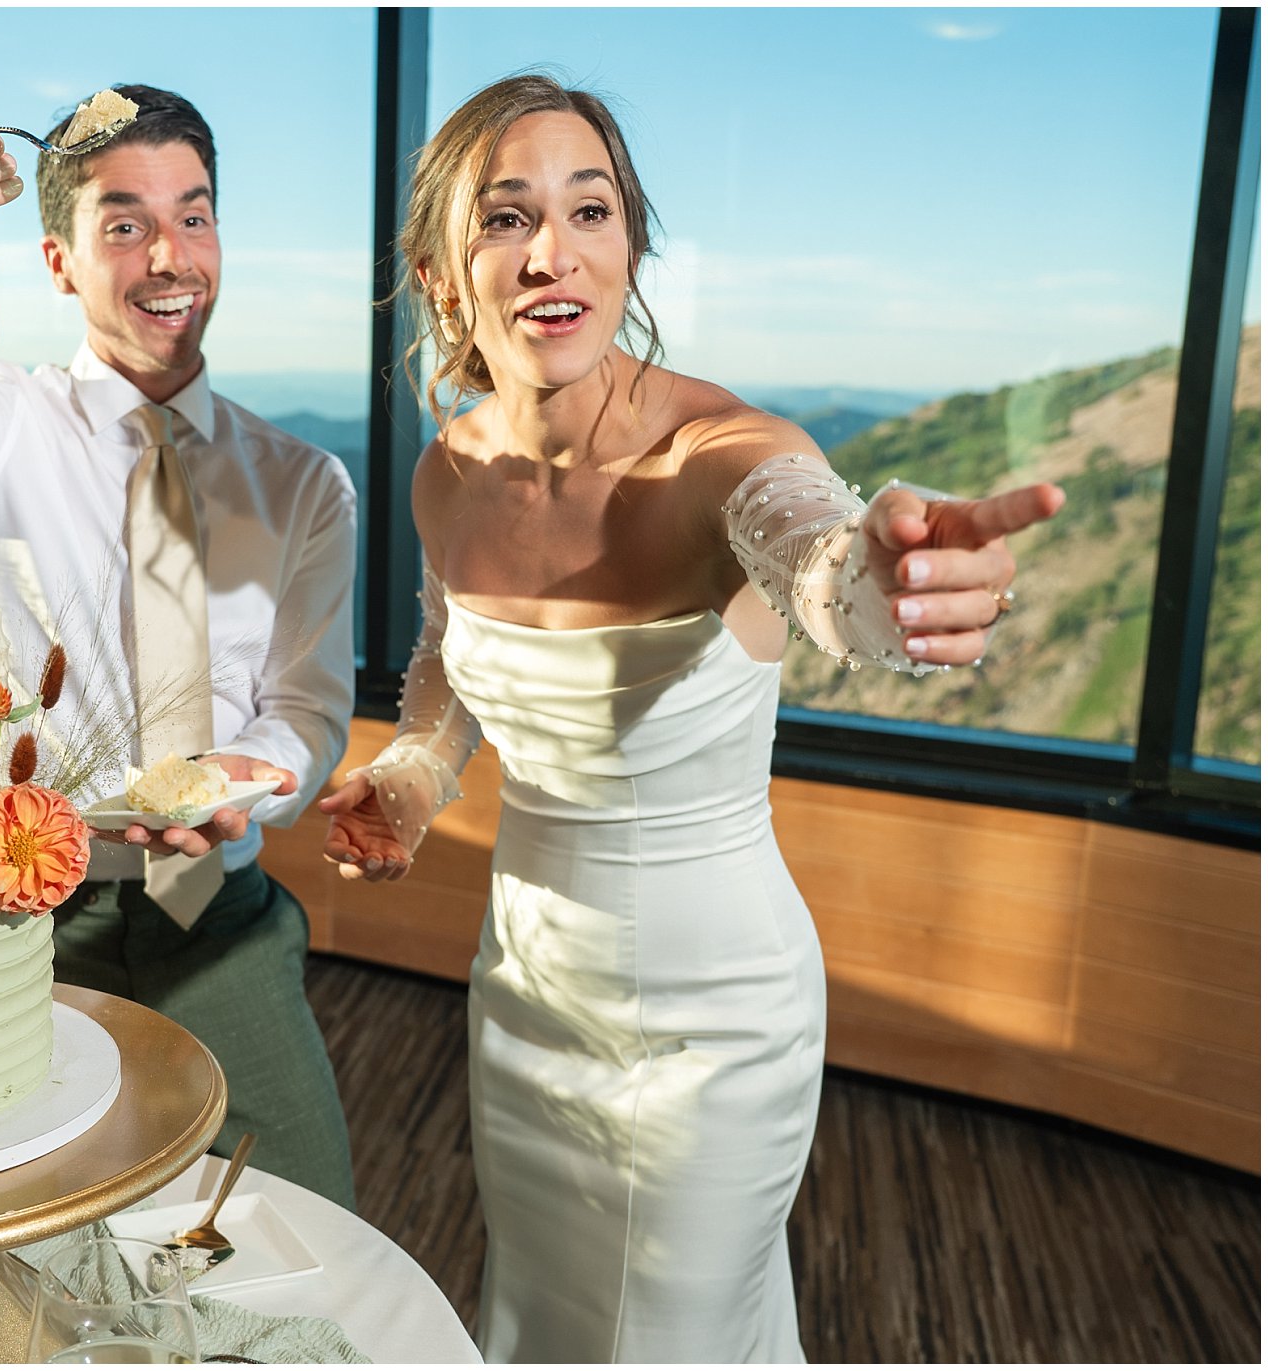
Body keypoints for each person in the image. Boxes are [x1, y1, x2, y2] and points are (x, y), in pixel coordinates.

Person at [318, 75, 1064, 1362]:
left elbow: (820, 568)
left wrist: (893, 579)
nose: (553, 250)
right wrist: (408, 781)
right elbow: (449, 664)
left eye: (589, 210)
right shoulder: (450, 469)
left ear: (628, 247)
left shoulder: (715, 455)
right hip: (522, 992)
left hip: (710, 1024)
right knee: (545, 1317)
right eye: (505, 219)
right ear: (444, 277)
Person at [0, 86, 358, 1208]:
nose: (168, 255)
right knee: (19, 1237)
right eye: (122, 225)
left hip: (214, 915)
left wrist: (245, 778)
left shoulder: (303, 484)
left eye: (193, 214)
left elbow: (309, 709)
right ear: (58, 262)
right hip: (13, 920)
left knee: (307, 1217)